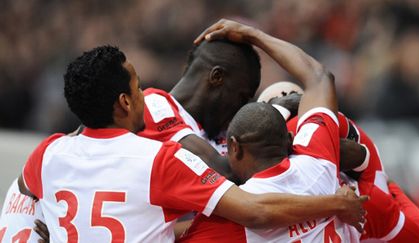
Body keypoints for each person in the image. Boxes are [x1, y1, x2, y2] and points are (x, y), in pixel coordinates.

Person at [16, 45, 366, 242]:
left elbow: (22, 193)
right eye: (138, 88)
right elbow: (255, 211)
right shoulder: (159, 159)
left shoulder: (48, 153)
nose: (145, 93)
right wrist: (333, 204)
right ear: (124, 102)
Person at [179, 18, 360, 242]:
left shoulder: (233, 219)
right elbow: (319, 76)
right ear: (289, 140)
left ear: (234, 146)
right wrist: (254, 35)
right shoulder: (318, 159)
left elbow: (162, 236)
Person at [262, 81, 419, 242]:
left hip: (363, 194)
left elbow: (352, 153)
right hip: (368, 190)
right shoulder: (315, 122)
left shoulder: (297, 129)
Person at [137, 37, 263, 181]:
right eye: (242, 97)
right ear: (217, 77)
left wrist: (259, 36)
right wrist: (278, 112)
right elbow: (224, 173)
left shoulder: (220, 129)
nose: (240, 109)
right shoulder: (153, 105)